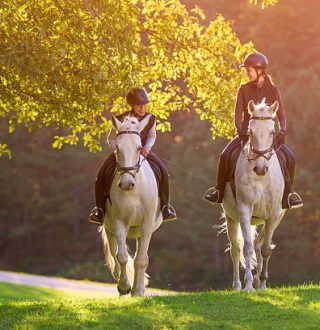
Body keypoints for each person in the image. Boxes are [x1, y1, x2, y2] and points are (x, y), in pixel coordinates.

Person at [203, 51, 303, 209]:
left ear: (260, 70)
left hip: (268, 136)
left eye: (248, 70)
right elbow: (237, 114)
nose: (246, 74)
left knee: (290, 157)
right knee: (225, 155)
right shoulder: (243, 89)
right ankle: (219, 191)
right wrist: (240, 131)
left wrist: (282, 132)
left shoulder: (274, 90)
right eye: (246, 71)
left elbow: (281, 115)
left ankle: (288, 195)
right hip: (246, 134)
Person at [88, 88, 177, 225]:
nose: (143, 108)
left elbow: (152, 136)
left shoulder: (151, 118)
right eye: (139, 105)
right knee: (101, 174)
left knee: (163, 171)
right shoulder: (119, 119)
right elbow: (111, 138)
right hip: (123, 153)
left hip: (143, 151)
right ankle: (99, 210)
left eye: (144, 104)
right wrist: (116, 151)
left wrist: (147, 147)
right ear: (132, 105)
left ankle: (165, 207)